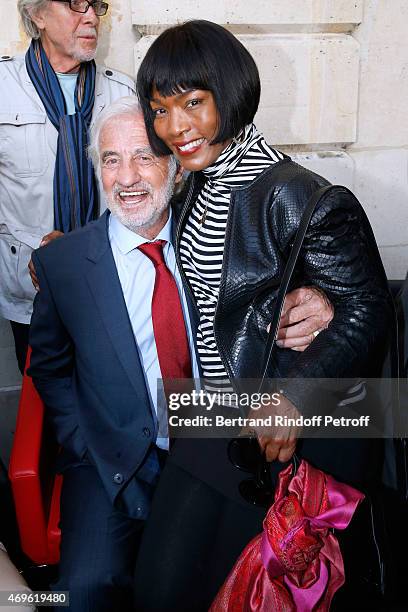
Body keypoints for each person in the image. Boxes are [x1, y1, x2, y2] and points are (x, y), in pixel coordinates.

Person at [133, 20, 393, 610]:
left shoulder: (296, 194)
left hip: (275, 433)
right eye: (161, 110)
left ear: (231, 93)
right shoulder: (192, 189)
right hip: (214, 415)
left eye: (193, 103)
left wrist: (292, 396)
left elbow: (369, 309)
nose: (176, 128)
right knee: (165, 588)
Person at [27, 97, 190, 611]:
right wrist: (80, 438)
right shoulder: (64, 264)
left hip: (208, 446)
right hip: (107, 457)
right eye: (111, 160)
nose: (127, 177)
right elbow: (49, 367)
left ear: (174, 164)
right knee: (82, 593)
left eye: (144, 156)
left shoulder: (214, 239)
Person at [0, 0, 135, 374]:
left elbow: (143, 194)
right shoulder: (3, 89)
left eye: (95, 5)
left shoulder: (123, 93)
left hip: (109, 286)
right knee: (43, 407)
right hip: (31, 294)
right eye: (76, 4)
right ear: (37, 15)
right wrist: (37, 251)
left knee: (107, 398)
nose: (91, 16)